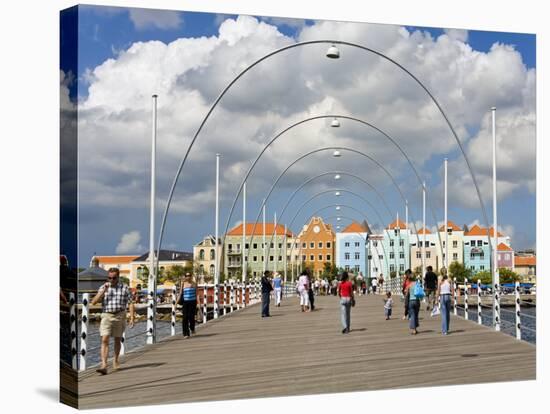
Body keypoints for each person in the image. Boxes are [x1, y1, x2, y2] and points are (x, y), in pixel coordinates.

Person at [91, 268, 135, 375]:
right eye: (109, 278)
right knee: (104, 339)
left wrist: (132, 318)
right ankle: (104, 365)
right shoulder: (103, 287)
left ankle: (115, 360)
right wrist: (103, 292)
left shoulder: (124, 287)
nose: (111, 280)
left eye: (114, 278)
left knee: (117, 339)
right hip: (106, 315)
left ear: (118, 277)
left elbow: (130, 303)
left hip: (119, 315)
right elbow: (93, 302)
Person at [179, 272, 197, 338]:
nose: (188, 277)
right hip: (185, 302)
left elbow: (196, 294)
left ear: (191, 276)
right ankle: (186, 333)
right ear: (185, 276)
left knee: (191, 317)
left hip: (193, 302)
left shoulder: (194, 284)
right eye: (186, 275)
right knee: (185, 318)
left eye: (189, 275)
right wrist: (175, 304)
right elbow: (180, 293)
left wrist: (199, 305)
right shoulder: (183, 283)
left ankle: (192, 328)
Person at [405, 270, 420, 334]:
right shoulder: (417, 284)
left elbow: (406, 294)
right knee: (416, 315)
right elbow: (420, 292)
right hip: (417, 301)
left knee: (412, 315)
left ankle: (414, 330)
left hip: (411, 301)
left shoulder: (409, 285)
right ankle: (415, 328)